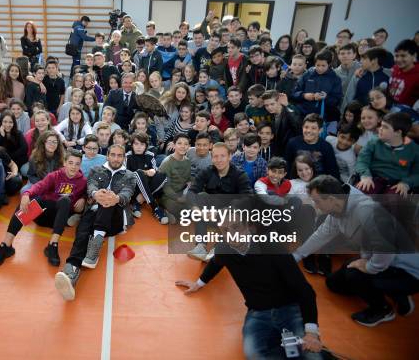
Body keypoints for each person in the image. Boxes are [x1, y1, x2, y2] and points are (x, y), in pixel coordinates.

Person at [176, 223, 323, 359]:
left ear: (249, 227)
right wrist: (198, 284)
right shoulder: (224, 249)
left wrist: (311, 332)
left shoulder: (272, 247)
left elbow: (305, 290)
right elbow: (215, 263)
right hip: (258, 312)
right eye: (225, 230)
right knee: (254, 354)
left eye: (236, 227)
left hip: (290, 308)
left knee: (311, 354)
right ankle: (287, 346)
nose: (232, 234)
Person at [293, 175, 419, 327]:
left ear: (331, 199)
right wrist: (296, 255)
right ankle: (388, 290)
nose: (316, 205)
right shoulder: (338, 208)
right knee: (334, 283)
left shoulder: (367, 210)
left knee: (355, 275)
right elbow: (322, 235)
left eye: (317, 201)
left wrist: (368, 267)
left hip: (404, 269)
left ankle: (383, 309)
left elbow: (386, 250)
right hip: (375, 256)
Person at [54, 144, 136, 300]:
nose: (116, 158)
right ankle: (71, 272)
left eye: (120, 156)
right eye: (113, 154)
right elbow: (90, 186)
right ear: (107, 156)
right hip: (93, 213)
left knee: (108, 201)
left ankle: (95, 247)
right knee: (83, 232)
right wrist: (95, 193)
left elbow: (127, 193)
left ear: (124, 158)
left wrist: (115, 198)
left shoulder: (130, 175)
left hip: (115, 219)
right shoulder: (96, 170)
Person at [0, 149, 87, 267]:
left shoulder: (82, 181)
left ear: (80, 165)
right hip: (43, 215)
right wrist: (26, 194)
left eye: (77, 164)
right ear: (65, 163)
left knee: (65, 200)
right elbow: (39, 186)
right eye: (71, 163)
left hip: (59, 219)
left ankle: (52, 245)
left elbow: (87, 195)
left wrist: (83, 198)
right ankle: (6, 245)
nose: (73, 167)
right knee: (32, 201)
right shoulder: (54, 176)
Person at [186, 141, 254, 260]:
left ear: (229, 157)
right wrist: (196, 209)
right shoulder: (208, 171)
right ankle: (200, 246)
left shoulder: (239, 175)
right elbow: (192, 191)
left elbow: (248, 198)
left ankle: (217, 249)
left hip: (231, 212)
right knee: (201, 196)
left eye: (223, 156)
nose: (219, 160)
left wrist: (220, 212)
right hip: (212, 213)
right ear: (212, 159)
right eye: (216, 156)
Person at [355, 112, 418, 195]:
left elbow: (417, 173)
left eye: (385, 127)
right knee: (362, 190)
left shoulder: (414, 150)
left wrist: (406, 183)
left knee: (394, 200)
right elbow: (362, 160)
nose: (380, 129)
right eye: (381, 125)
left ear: (398, 132)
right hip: (373, 178)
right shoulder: (374, 142)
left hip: (397, 184)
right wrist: (365, 176)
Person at [292, 49, 343, 129]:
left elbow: (337, 100)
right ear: (314, 63)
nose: (320, 68)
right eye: (317, 65)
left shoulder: (335, 79)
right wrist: (304, 95)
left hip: (323, 118)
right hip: (303, 114)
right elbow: (294, 92)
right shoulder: (308, 74)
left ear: (329, 64)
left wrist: (326, 97)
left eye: (323, 66)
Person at [126, 132, 168, 224]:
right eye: (136, 144)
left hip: (147, 186)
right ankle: (154, 207)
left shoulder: (150, 155)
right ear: (132, 145)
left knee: (163, 176)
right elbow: (127, 175)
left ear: (146, 146)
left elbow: (155, 169)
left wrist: (153, 171)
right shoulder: (127, 156)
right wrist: (145, 172)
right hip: (133, 188)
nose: (139, 147)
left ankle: (138, 201)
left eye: (142, 144)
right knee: (138, 173)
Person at [285, 114, 340, 180]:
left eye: (313, 128)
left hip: (318, 183)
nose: (308, 131)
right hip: (297, 181)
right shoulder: (292, 143)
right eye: (306, 127)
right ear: (302, 127)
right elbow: (288, 165)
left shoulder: (326, 147)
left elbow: (333, 171)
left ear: (320, 130)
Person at [261, 89, 302, 156]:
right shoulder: (269, 115)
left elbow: (298, 127)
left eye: (272, 104)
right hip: (277, 152)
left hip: (291, 152)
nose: (269, 107)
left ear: (279, 102)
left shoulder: (291, 111)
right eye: (266, 105)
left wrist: (287, 106)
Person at [388, 39, 418, 108]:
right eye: (396, 56)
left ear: (414, 56)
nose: (398, 59)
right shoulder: (395, 68)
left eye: (403, 56)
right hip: (388, 110)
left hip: (405, 116)